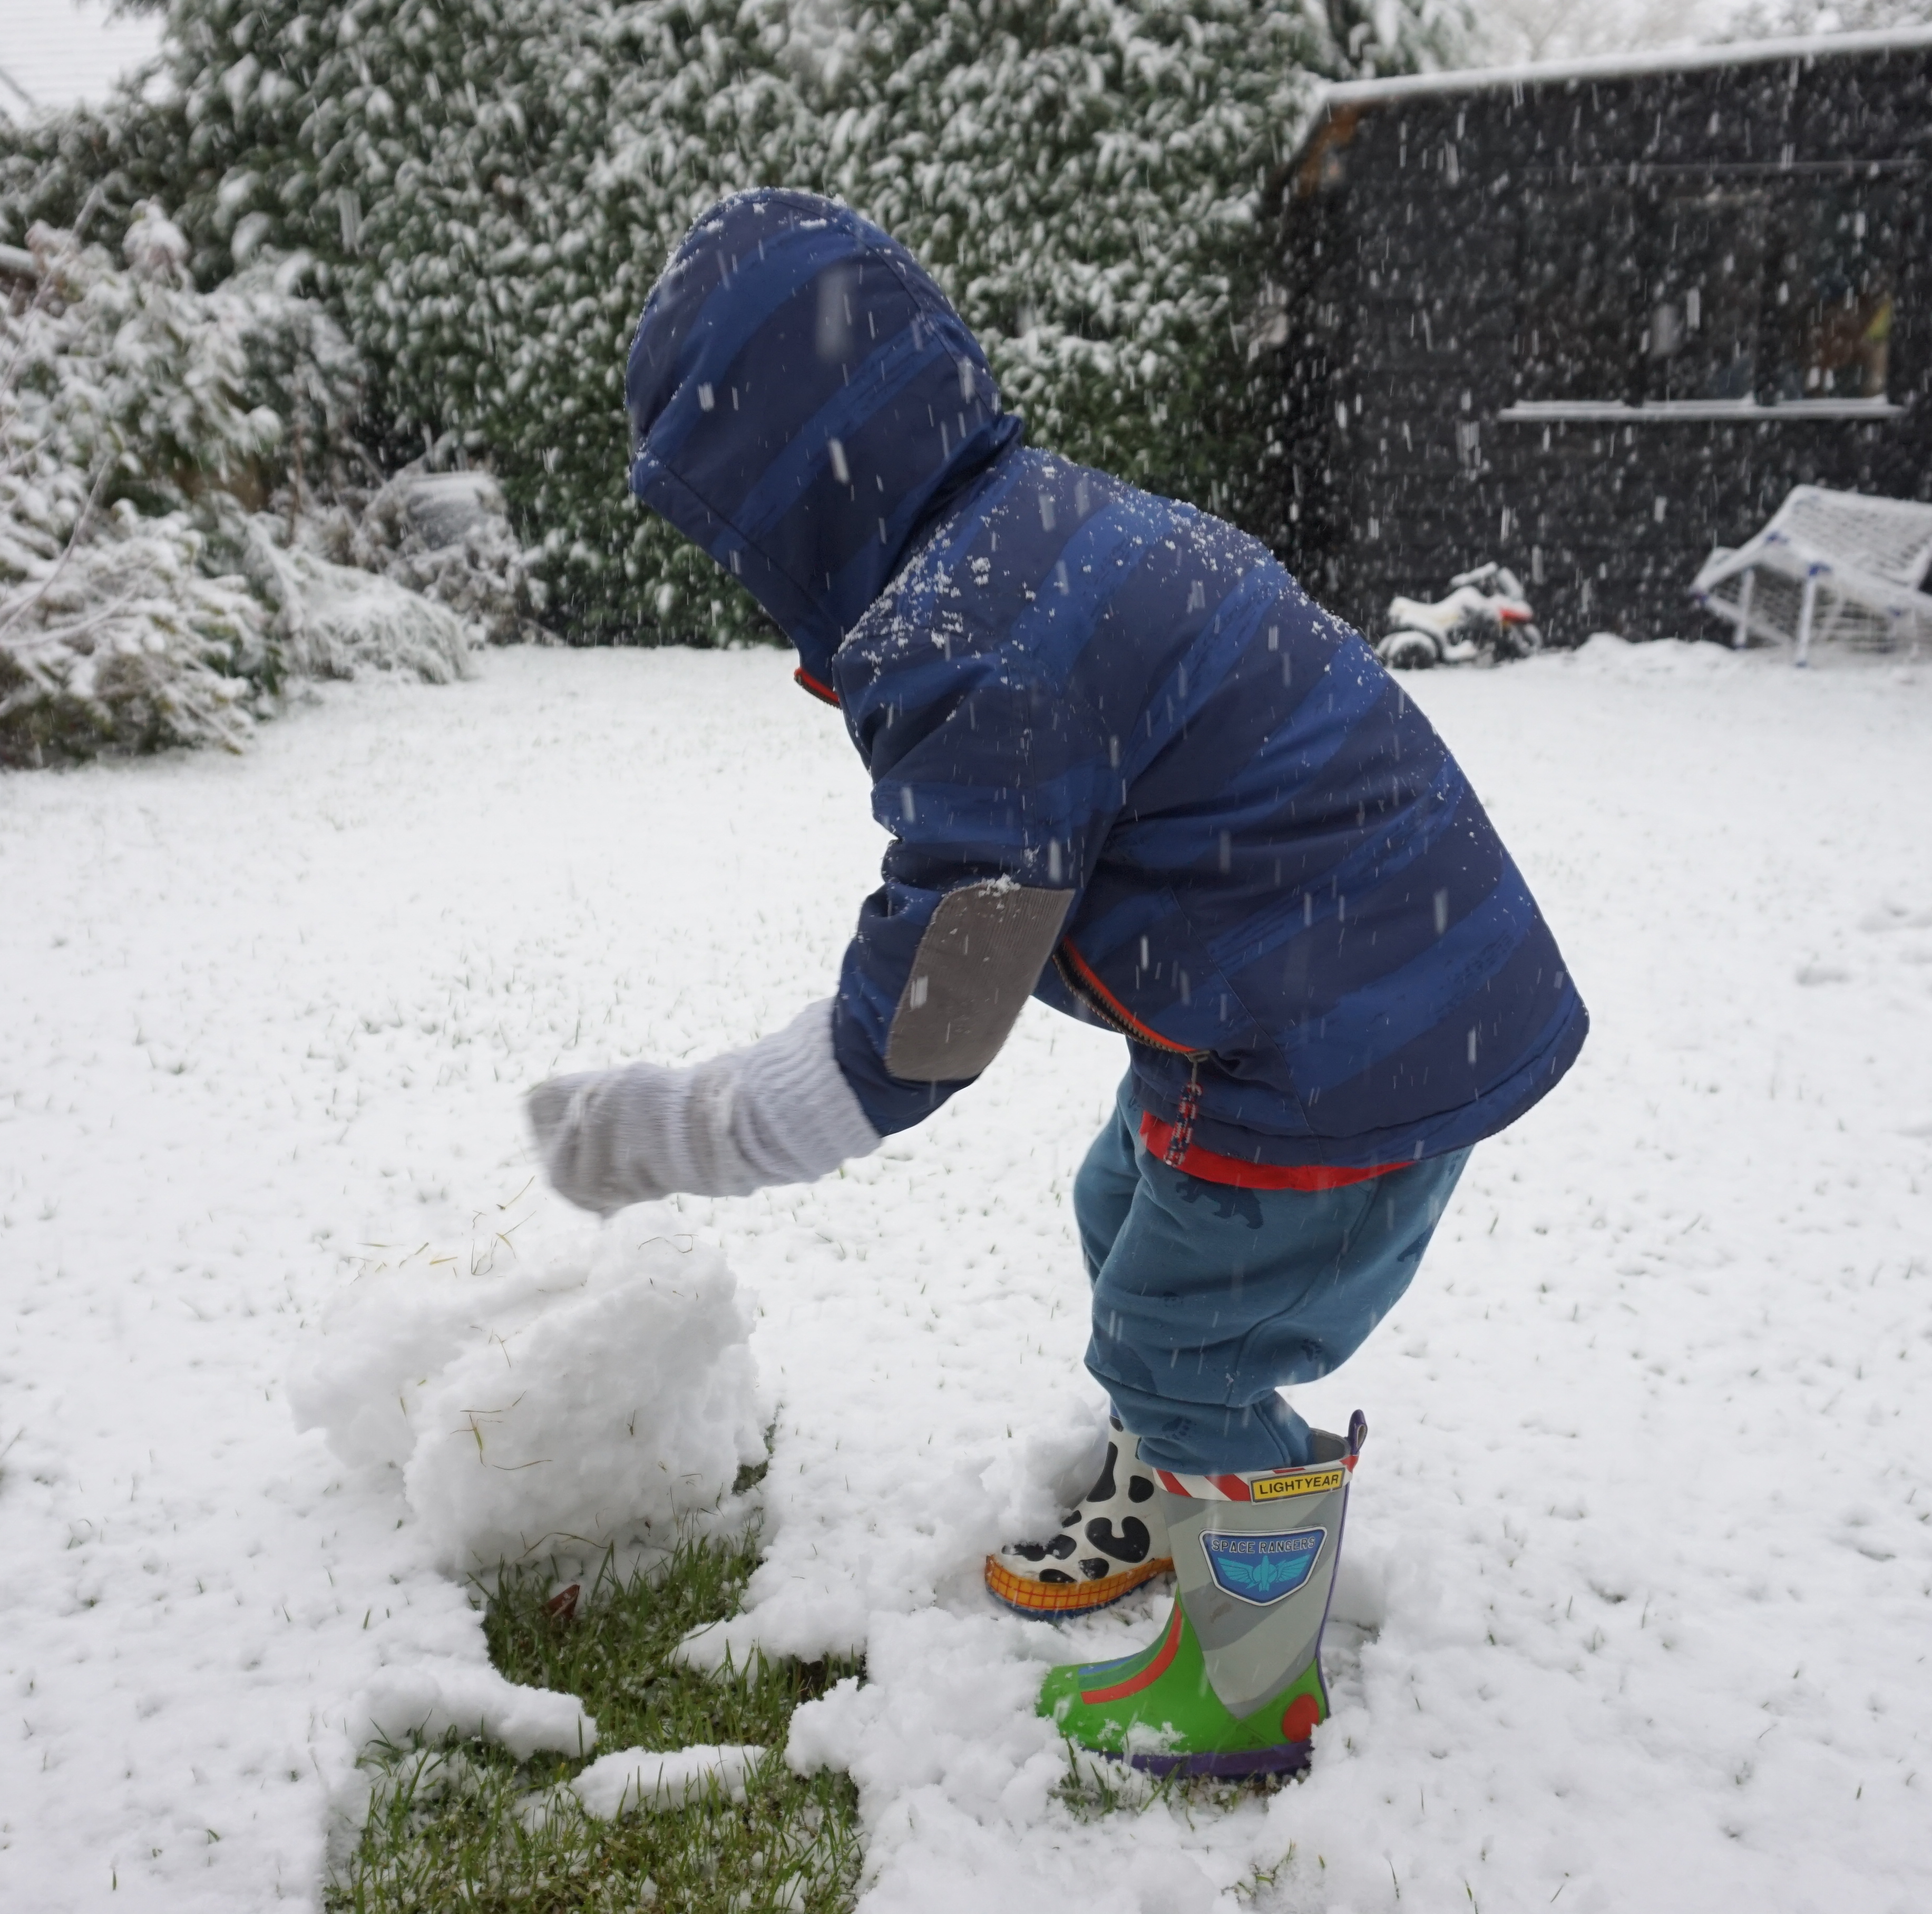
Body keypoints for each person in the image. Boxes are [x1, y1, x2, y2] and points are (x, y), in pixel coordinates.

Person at [525, 189, 1588, 1778]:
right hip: (1320, 980)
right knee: (1125, 1210)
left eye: (736, 540)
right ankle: (1179, 1490)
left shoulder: (982, 652)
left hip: (1362, 1036)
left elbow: (924, 1030)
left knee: (1186, 1340)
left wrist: (670, 1132)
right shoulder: (1024, 533)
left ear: (792, 505)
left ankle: (1253, 1678)